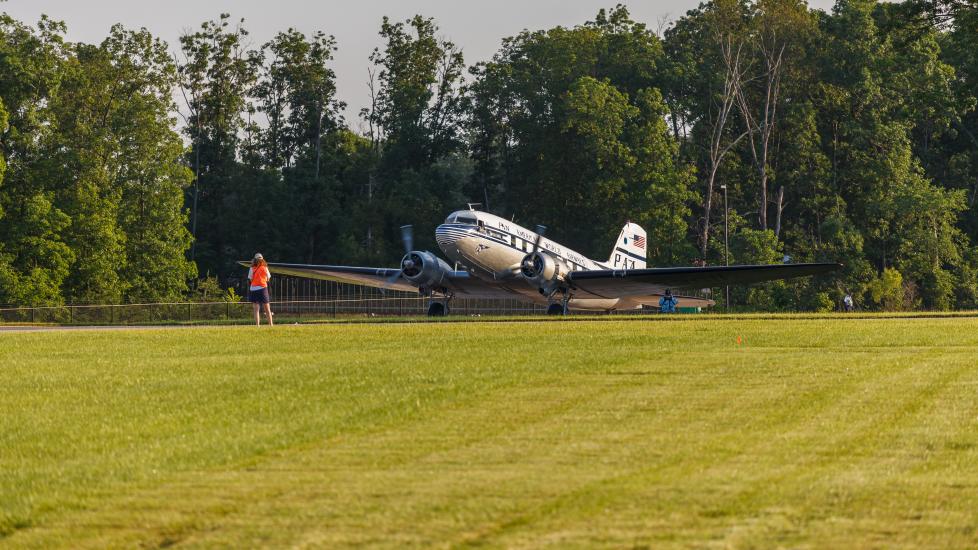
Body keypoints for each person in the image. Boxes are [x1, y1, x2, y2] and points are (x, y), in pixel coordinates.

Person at [247, 253, 274, 326]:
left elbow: (250, 278)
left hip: (254, 289)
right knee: (267, 308)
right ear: (262, 259)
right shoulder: (265, 267)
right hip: (262, 288)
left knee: (256, 309)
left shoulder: (252, 268)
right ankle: (271, 325)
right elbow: (268, 278)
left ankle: (257, 325)